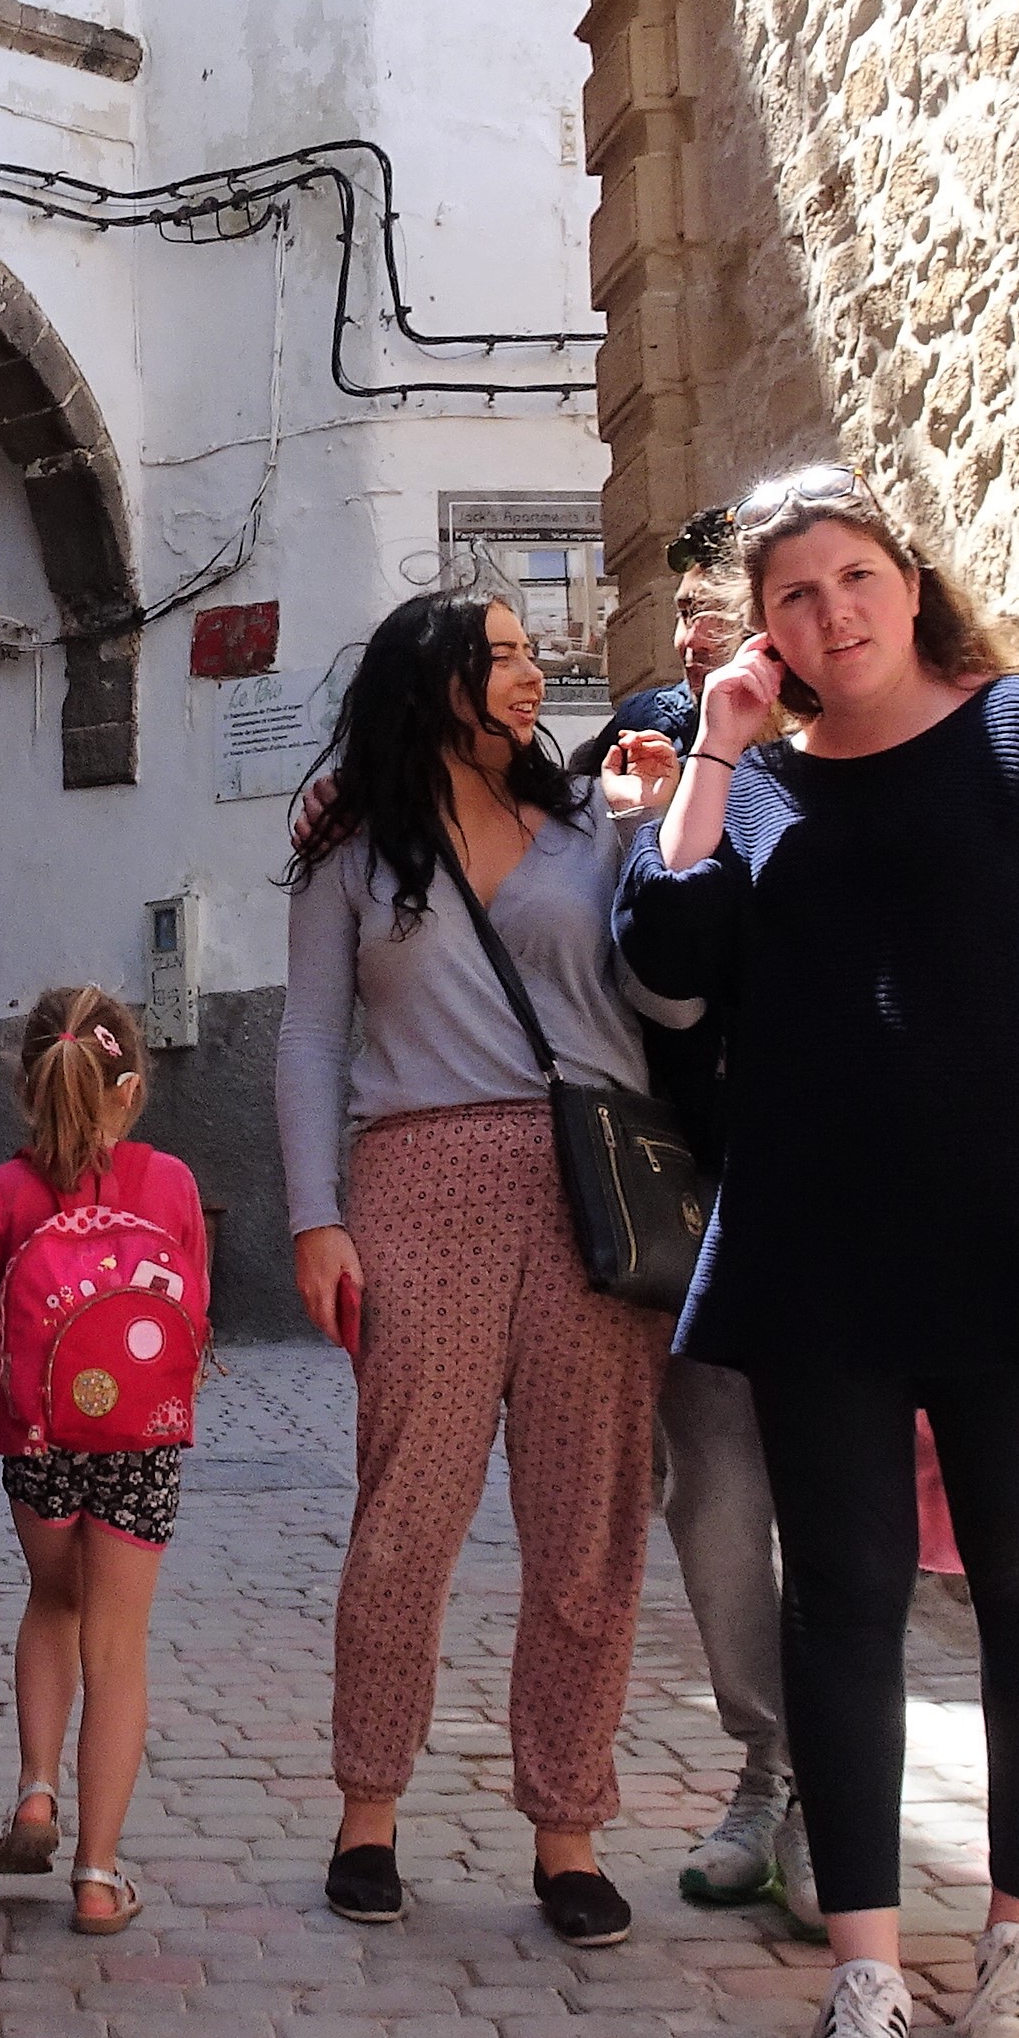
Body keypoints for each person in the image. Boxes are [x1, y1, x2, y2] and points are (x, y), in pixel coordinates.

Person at [616, 467, 1019, 2038]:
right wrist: (716, 740)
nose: (830, 615)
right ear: (761, 633)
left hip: (1013, 1225)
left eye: (853, 579)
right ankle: (861, 1979)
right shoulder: (761, 789)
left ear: (908, 582)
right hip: (818, 1241)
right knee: (838, 1597)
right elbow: (670, 962)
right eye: (794, 598)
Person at [281, 589, 690, 1946]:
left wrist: (665, 828)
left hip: (592, 1182)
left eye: (529, 655)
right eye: (500, 655)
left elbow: (672, 997)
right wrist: (311, 1214)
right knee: (406, 1515)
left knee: (588, 1526)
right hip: (417, 1178)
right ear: (430, 679)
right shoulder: (349, 843)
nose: (530, 675)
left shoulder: (595, 818)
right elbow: (304, 1035)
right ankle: (367, 1810)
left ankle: (567, 1828)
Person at [591, 562, 802, 1930]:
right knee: (717, 1490)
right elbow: (649, 978)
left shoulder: (875, 746)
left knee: (849, 1502)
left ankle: (843, 1779)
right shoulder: (652, 745)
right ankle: (771, 1763)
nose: (689, 635)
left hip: (854, 1186)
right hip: (702, 1188)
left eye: (718, 609)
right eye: (684, 614)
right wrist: (638, 826)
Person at [0, 985, 211, 1939]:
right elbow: (196, 1311)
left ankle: (36, 1793)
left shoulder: (2, 1195)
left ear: (26, 1087)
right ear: (130, 1088)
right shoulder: (168, 1183)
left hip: (38, 1439)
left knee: (53, 1602)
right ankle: (96, 1875)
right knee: (116, 1649)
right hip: (142, 1441)